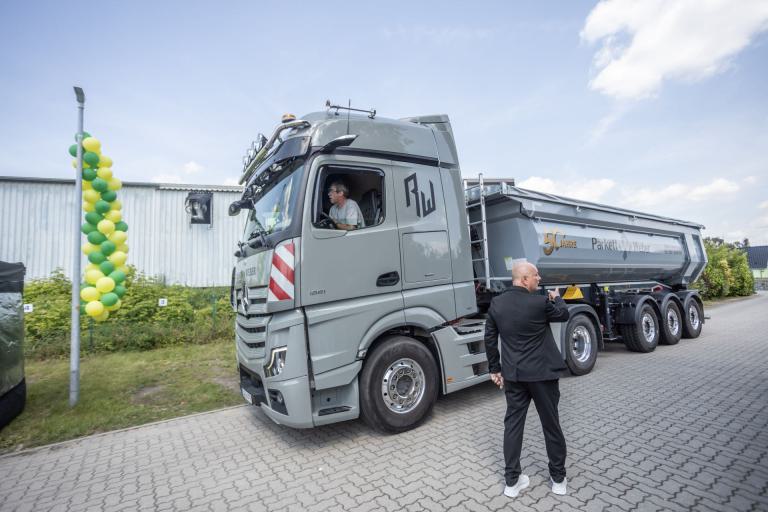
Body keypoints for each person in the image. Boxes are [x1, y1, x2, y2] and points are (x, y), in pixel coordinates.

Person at [484, 261, 570, 498]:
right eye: (535, 275)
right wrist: (557, 298)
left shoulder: (497, 304)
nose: (539, 278)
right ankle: (558, 480)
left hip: (514, 376)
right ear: (523, 279)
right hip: (543, 375)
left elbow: (489, 338)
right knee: (551, 425)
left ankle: (512, 483)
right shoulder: (540, 303)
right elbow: (563, 315)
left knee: (513, 426)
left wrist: (495, 369)